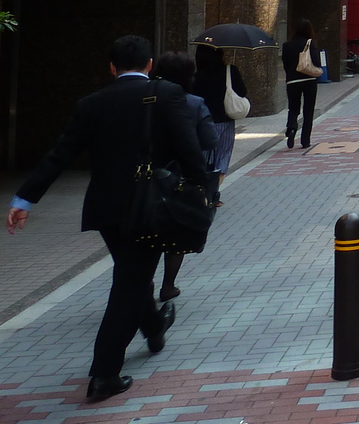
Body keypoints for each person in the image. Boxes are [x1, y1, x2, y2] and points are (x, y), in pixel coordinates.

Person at [8, 35, 209, 403]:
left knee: (132, 275)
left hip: (106, 210)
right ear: (150, 64)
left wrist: (25, 198)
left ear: (112, 67)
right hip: (151, 208)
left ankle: (153, 326)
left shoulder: (91, 104)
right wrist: (205, 192)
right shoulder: (166, 95)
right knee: (129, 285)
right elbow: (189, 147)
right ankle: (104, 374)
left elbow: (60, 153)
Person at [152, 52, 217, 303]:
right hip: (180, 175)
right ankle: (168, 285)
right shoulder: (193, 102)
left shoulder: (144, 98)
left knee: (147, 227)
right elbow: (210, 141)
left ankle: (144, 280)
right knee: (175, 230)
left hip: (144, 173)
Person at [194, 44, 249, 204]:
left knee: (204, 159)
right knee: (222, 158)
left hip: (203, 122)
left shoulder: (197, 76)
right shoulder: (230, 70)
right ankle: (213, 194)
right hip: (225, 121)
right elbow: (243, 92)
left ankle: (204, 192)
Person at [281, 19, 321, 150]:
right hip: (309, 80)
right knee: (308, 110)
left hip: (292, 81)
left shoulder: (287, 45)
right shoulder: (310, 43)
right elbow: (316, 61)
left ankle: (291, 128)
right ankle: (305, 140)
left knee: (293, 108)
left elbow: (285, 64)